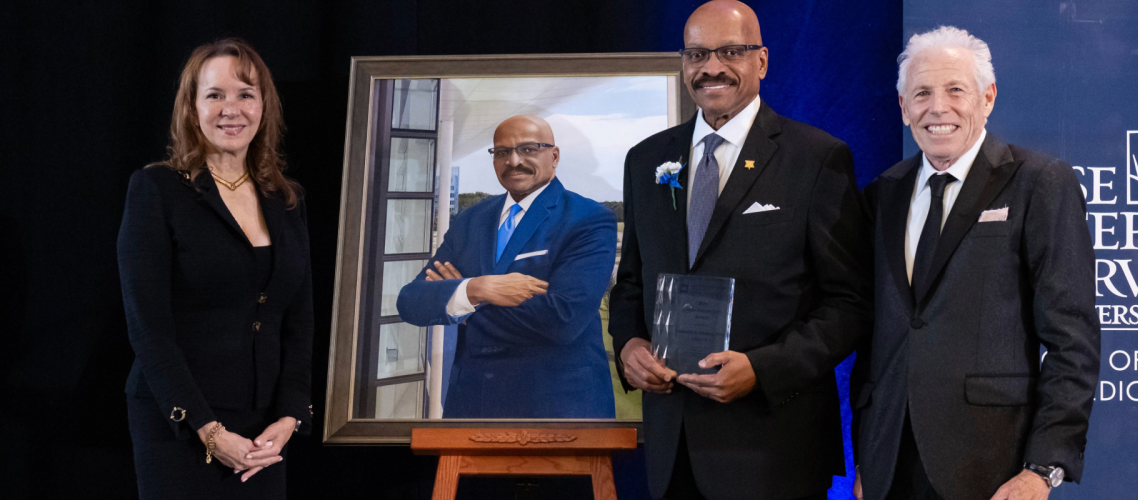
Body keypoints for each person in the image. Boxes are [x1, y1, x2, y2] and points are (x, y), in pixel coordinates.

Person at [609, 1, 874, 498]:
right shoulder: (645, 159)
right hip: (673, 447)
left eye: (730, 51)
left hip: (774, 448)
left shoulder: (818, 158)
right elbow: (631, 284)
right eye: (697, 54)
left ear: (763, 61)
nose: (711, 68)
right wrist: (629, 346)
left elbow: (850, 304)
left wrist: (763, 369)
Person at [852, 26, 1101, 500]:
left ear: (987, 98)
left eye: (955, 90)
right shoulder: (884, 192)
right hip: (889, 463)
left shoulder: (1040, 183)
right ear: (904, 108)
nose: (937, 107)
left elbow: (1074, 342)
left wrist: (1043, 467)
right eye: (921, 93)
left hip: (993, 467)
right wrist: (868, 454)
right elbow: (878, 334)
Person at [118, 39, 313, 499]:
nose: (232, 109)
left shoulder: (287, 199)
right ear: (191, 106)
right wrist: (208, 431)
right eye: (215, 95)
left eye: (246, 94)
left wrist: (290, 417)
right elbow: (147, 326)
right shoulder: (156, 189)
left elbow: (300, 320)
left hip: (265, 430)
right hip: (180, 423)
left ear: (264, 106)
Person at [395, 115, 617, 418]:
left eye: (528, 149)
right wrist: (476, 288)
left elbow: (562, 320)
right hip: (472, 405)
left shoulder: (587, 219)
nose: (513, 160)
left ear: (554, 156)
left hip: (556, 409)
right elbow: (411, 301)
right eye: (501, 152)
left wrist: (461, 303)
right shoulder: (470, 221)